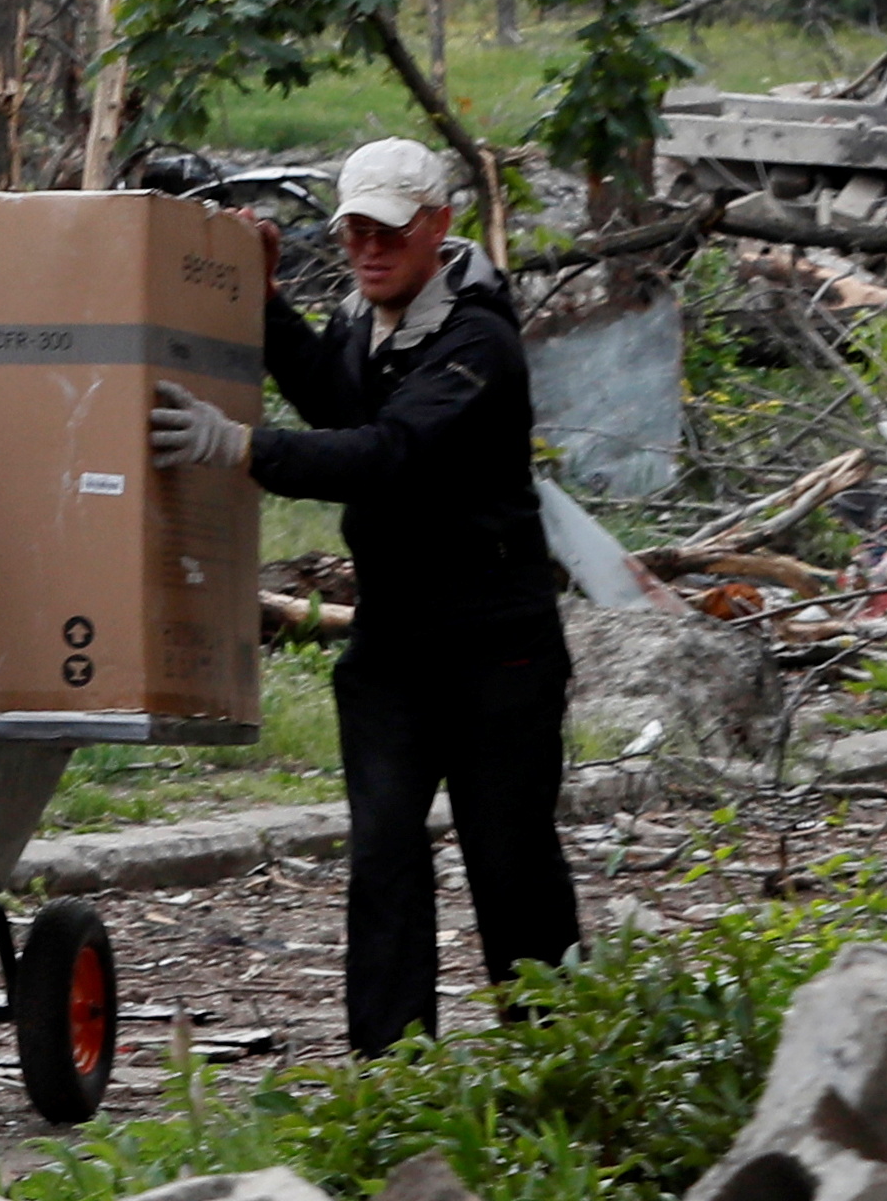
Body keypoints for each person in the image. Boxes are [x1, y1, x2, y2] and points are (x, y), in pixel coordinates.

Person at [148, 135, 578, 1053]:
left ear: (438, 227)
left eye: (386, 231)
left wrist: (238, 447)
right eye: (352, 232)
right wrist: (267, 308)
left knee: (509, 864)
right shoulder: (364, 318)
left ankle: (559, 1053)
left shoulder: (477, 342)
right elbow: (335, 401)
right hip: (395, 638)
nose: (367, 249)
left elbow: (388, 454)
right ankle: (391, 1071)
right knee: (382, 854)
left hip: (496, 643)